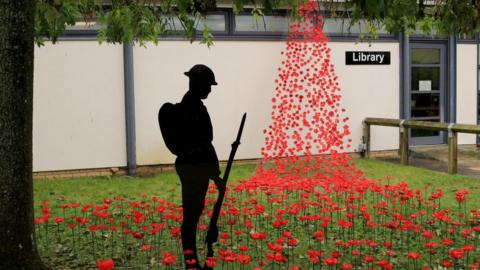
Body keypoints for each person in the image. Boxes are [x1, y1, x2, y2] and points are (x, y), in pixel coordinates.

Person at [159, 64, 224, 270]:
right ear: (196, 83)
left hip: (199, 168)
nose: (210, 90)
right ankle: (191, 261)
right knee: (191, 216)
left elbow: (207, 145)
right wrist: (215, 175)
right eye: (207, 85)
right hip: (193, 168)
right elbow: (205, 144)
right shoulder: (187, 110)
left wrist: (215, 176)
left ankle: (193, 259)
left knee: (194, 212)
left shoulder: (198, 108)